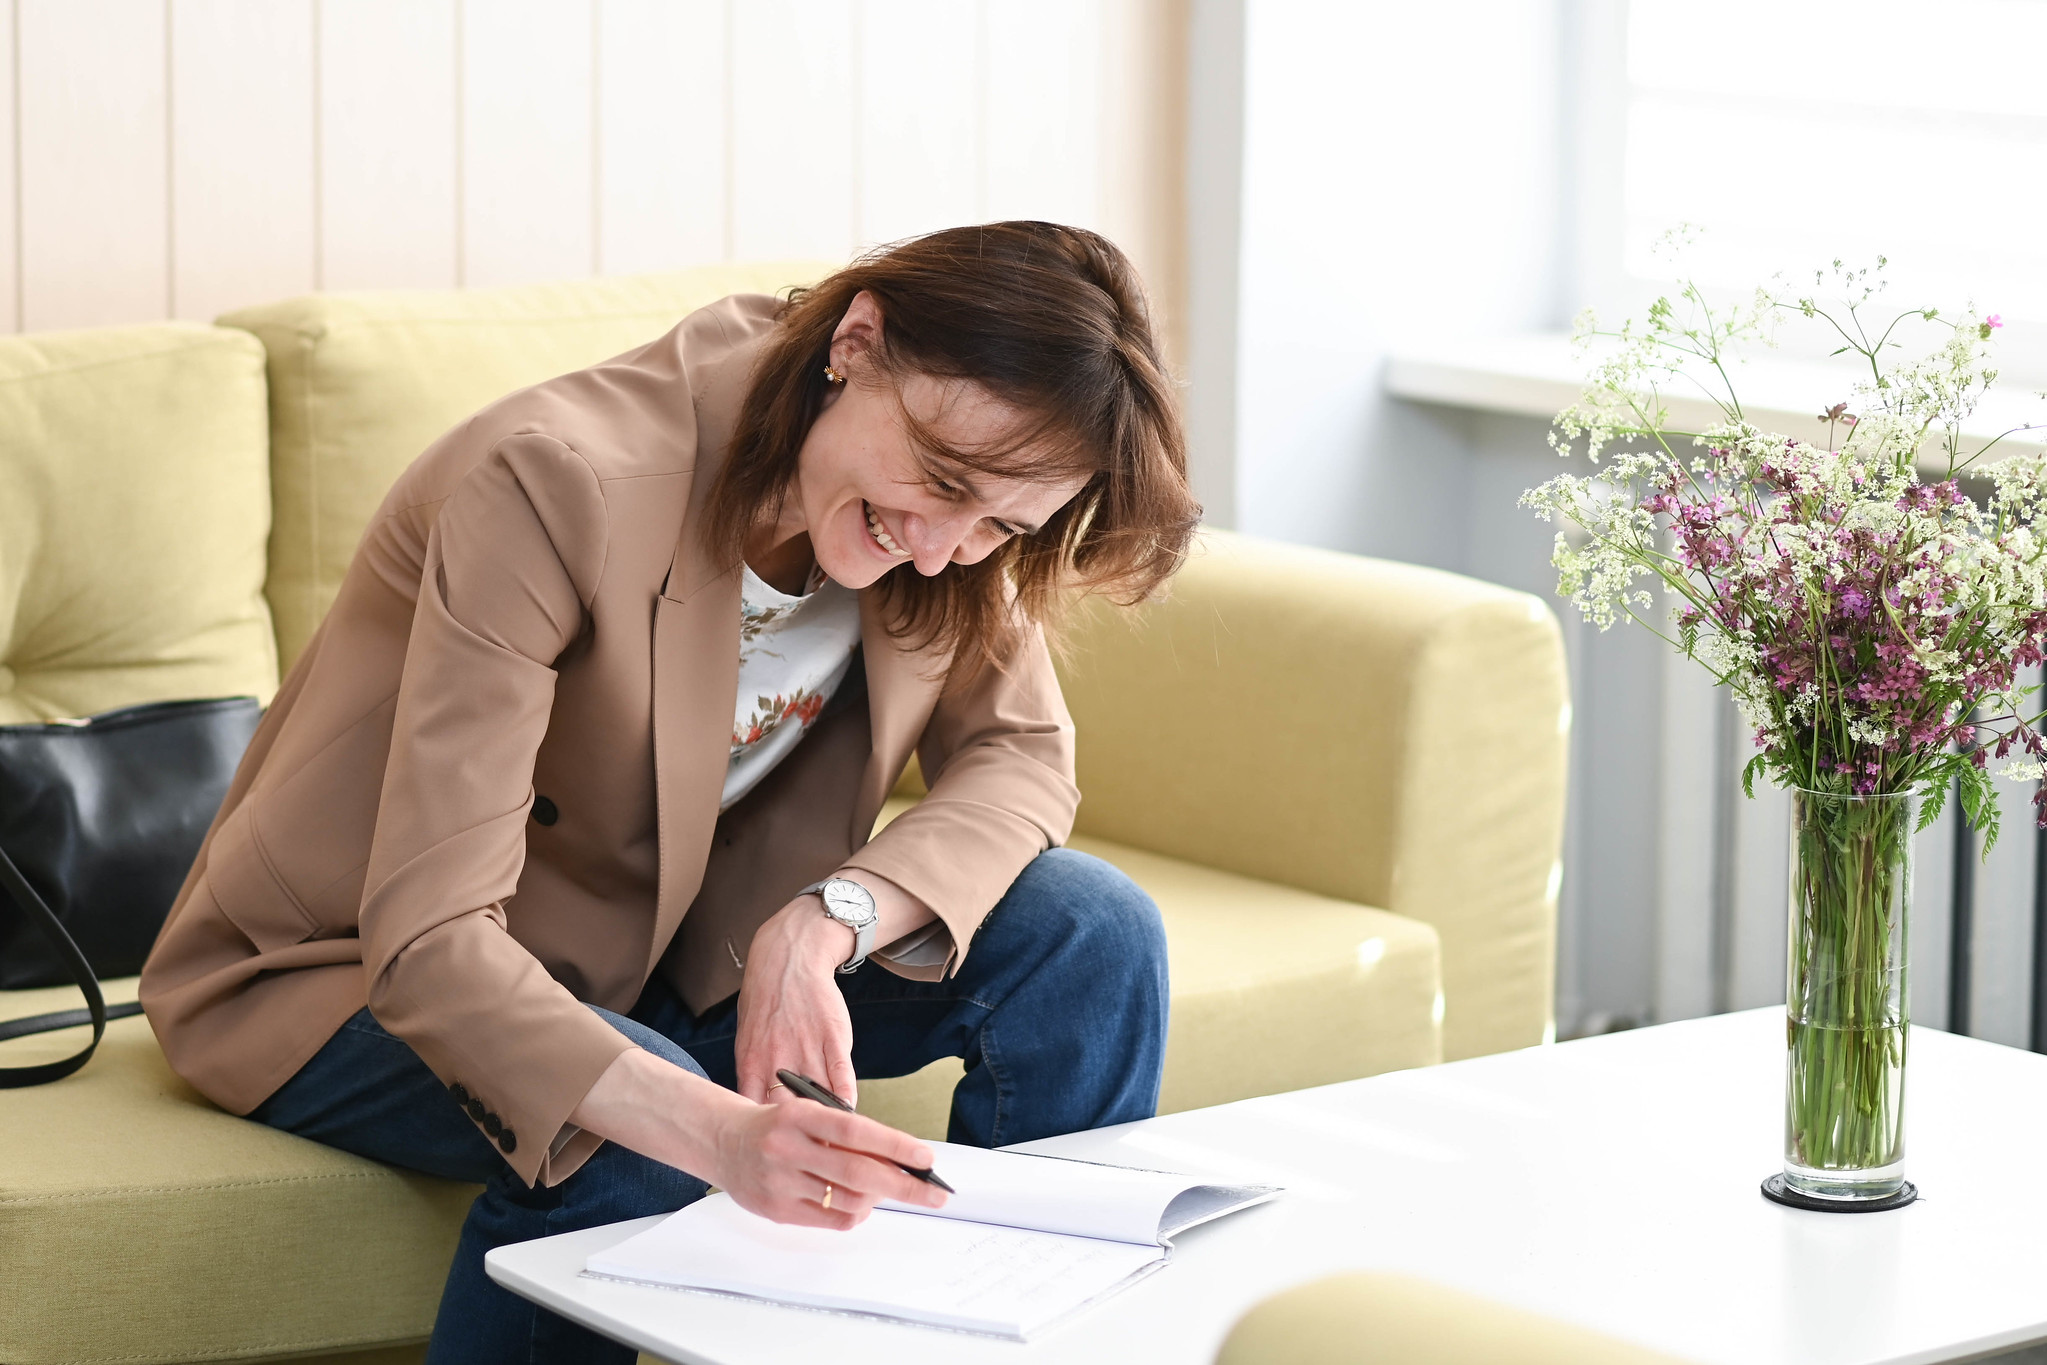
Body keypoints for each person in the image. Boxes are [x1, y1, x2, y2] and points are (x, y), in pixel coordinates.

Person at [139, 220, 1200, 1363]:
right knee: (647, 1128)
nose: (943, 547)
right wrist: (720, 1134)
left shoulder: (951, 524)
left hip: (661, 966)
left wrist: (822, 926)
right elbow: (430, 940)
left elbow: (1021, 757)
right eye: (944, 483)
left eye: (999, 524)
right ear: (856, 343)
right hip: (349, 973)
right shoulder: (556, 481)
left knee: (1089, 934)